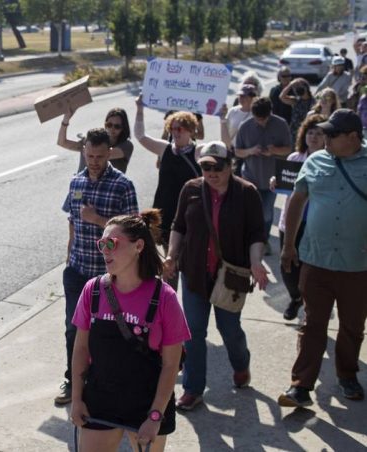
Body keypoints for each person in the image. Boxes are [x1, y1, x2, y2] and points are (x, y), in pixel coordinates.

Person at [70, 210, 190, 452]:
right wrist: (76, 399)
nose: (105, 250)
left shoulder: (165, 298)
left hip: (147, 407)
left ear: (138, 246)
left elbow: (170, 365)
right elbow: (81, 349)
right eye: (101, 243)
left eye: (112, 243)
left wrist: (155, 416)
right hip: (100, 401)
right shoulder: (92, 291)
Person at [164, 141, 269, 410]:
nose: (211, 172)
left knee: (229, 330)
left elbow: (257, 233)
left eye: (217, 167)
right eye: (205, 166)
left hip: (231, 276)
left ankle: (241, 363)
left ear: (230, 165)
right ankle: (193, 389)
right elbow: (178, 226)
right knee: (193, 332)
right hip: (195, 274)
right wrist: (172, 255)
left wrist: (256, 263)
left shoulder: (247, 193)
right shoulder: (191, 189)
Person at [278, 109, 367, 407]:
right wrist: (289, 245)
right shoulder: (315, 160)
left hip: (358, 264)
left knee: (352, 326)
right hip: (316, 261)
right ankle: (301, 385)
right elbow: (297, 201)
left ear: (353, 137)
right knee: (312, 323)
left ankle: (347, 375)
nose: (325, 138)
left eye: (332, 134)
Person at [56, 128, 139, 406]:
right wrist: (69, 252)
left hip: (108, 275)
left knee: (108, 332)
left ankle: (109, 383)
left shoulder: (122, 185)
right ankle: (73, 380)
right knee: (73, 329)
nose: (94, 161)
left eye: (99, 156)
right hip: (78, 270)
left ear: (109, 154)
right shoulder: (76, 182)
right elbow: (72, 220)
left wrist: (98, 219)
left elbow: (132, 231)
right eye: (90, 155)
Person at [135, 94, 223, 288]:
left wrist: (223, 119)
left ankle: (192, 300)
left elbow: (226, 150)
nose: (176, 132)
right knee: (169, 266)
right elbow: (140, 136)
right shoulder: (165, 149)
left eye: (180, 128)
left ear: (191, 130)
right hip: (166, 217)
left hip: (191, 216)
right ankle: (170, 305)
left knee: (191, 266)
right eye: (172, 128)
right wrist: (140, 109)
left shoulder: (199, 152)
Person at [269, 114, 325, 321]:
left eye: (319, 133)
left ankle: (310, 306)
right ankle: (295, 297)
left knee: (309, 268)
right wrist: (276, 182)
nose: (314, 137)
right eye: (311, 132)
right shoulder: (294, 159)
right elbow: (284, 187)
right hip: (290, 222)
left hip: (315, 223)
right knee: (287, 268)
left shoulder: (331, 163)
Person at [233, 97, 292, 254]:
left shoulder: (281, 124)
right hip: (250, 178)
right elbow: (237, 151)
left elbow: (288, 149)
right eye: (257, 119)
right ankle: (249, 242)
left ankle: (263, 240)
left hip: (272, 180)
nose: (261, 122)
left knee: (266, 214)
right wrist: (251, 151)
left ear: (270, 113)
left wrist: (273, 150)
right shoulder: (245, 127)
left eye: (264, 119)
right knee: (249, 213)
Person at [59, 107, 134, 173]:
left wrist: (88, 142)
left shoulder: (126, 145)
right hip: (83, 186)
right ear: (105, 124)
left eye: (117, 126)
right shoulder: (93, 141)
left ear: (123, 128)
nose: (112, 129)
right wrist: (66, 119)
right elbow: (62, 142)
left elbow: (104, 154)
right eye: (109, 125)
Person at [280, 77, 314, 143]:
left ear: (306, 87)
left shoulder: (314, 101)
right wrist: (291, 84)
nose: (297, 88)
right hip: (294, 133)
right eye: (295, 87)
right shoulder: (295, 101)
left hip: (307, 133)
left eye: (299, 86)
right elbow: (282, 97)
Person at [223, 84, 258, 149]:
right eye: (240, 95)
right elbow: (226, 131)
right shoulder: (233, 111)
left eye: (244, 96)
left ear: (252, 97)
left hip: (248, 150)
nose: (241, 98)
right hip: (232, 148)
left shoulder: (257, 113)